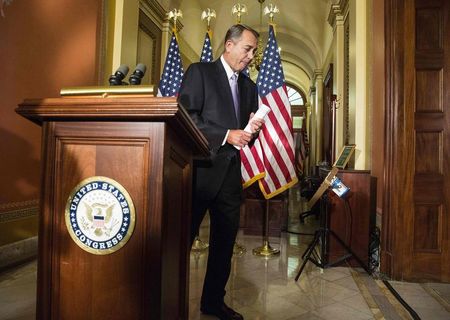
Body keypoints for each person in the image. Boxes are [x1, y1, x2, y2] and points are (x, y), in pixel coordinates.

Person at [178, 24, 263, 320]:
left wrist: (253, 130)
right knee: (180, 243)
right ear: (229, 45)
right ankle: (167, 300)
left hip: (230, 177)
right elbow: (186, 116)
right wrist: (227, 134)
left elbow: (247, 135)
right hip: (198, 173)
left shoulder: (250, 87)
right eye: (247, 49)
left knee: (224, 245)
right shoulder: (200, 72)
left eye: (253, 51)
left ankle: (213, 302)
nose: (251, 56)